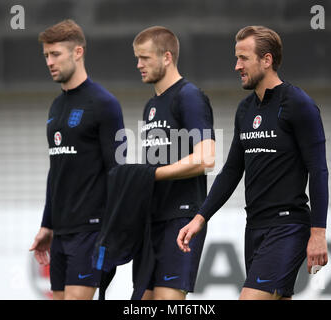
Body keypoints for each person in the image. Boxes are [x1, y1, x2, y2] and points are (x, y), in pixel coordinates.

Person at [177, 25, 329, 300]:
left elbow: (318, 171)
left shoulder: (298, 104)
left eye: (243, 58)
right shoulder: (245, 109)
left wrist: (318, 232)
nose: (237, 66)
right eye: (237, 58)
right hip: (254, 227)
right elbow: (232, 170)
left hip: (287, 226)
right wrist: (200, 217)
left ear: (267, 60)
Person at [29, 19, 125, 300]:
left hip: (91, 231)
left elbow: (117, 170)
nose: (49, 61)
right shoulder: (57, 106)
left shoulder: (105, 104)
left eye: (55, 54)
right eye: (46, 55)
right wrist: (47, 225)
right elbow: (56, 170)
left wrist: (112, 229)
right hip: (60, 232)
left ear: (78, 52)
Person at [133, 26, 216, 300]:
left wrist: (153, 174)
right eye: (137, 58)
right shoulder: (151, 106)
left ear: (167, 57)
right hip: (152, 223)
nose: (139, 65)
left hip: (180, 219)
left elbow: (207, 157)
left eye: (145, 58)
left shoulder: (189, 96)